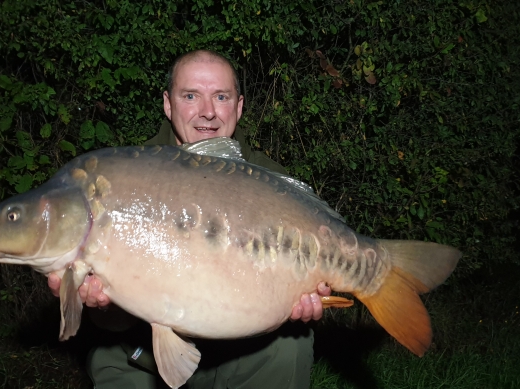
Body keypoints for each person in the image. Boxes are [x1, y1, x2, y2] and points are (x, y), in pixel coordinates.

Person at [47, 49, 332, 388]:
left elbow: (306, 276)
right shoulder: (128, 178)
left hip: (241, 347)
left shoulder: (268, 183)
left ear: (239, 107)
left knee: (291, 344)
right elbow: (113, 317)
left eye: (221, 97)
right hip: (142, 355)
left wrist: (307, 292)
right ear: (168, 104)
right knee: (109, 349)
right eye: (191, 96)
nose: (208, 112)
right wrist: (104, 305)